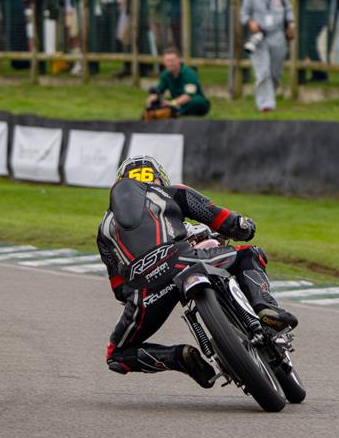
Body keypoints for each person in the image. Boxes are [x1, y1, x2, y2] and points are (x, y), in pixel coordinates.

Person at [98, 156, 297, 382]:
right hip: (184, 258)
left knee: (116, 355)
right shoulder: (173, 192)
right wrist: (244, 226)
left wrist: (143, 290)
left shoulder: (104, 227)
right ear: (160, 178)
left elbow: (118, 288)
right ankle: (265, 307)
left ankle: (177, 358)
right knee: (249, 254)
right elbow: (225, 221)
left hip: (144, 289)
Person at [240, 0, 295, 113]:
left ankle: (271, 95)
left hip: (277, 35)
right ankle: (266, 104)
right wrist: (250, 22)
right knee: (262, 72)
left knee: (275, 72)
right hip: (259, 37)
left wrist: (291, 24)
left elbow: (289, 10)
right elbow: (244, 14)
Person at [146, 47, 209, 117]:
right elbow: (158, 91)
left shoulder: (189, 73)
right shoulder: (165, 75)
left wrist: (171, 103)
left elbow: (188, 96)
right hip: (176, 102)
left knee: (197, 101)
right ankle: (173, 111)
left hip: (191, 101)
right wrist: (152, 101)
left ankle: (175, 111)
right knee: (161, 102)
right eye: (167, 61)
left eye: (172, 60)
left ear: (178, 60)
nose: (170, 63)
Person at [298, 0, 332, 83]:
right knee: (308, 42)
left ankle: (321, 73)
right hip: (310, 13)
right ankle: (318, 72)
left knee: (310, 42)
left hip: (322, 12)